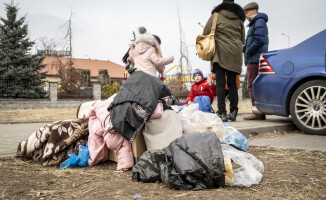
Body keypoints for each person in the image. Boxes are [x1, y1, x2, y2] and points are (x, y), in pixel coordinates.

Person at [203, 0, 245, 122]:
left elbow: (205, 33)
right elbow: (243, 39)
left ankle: (221, 112)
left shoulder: (216, 15)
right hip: (235, 53)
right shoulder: (239, 19)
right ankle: (233, 112)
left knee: (220, 83)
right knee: (232, 83)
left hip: (220, 53)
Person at [243, 2, 269, 120]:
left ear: (254, 11)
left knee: (252, 85)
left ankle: (257, 112)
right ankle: (260, 111)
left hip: (254, 59)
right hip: (255, 58)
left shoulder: (258, 22)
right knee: (255, 85)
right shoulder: (256, 22)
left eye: (247, 13)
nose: (246, 16)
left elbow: (259, 40)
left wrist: (248, 51)